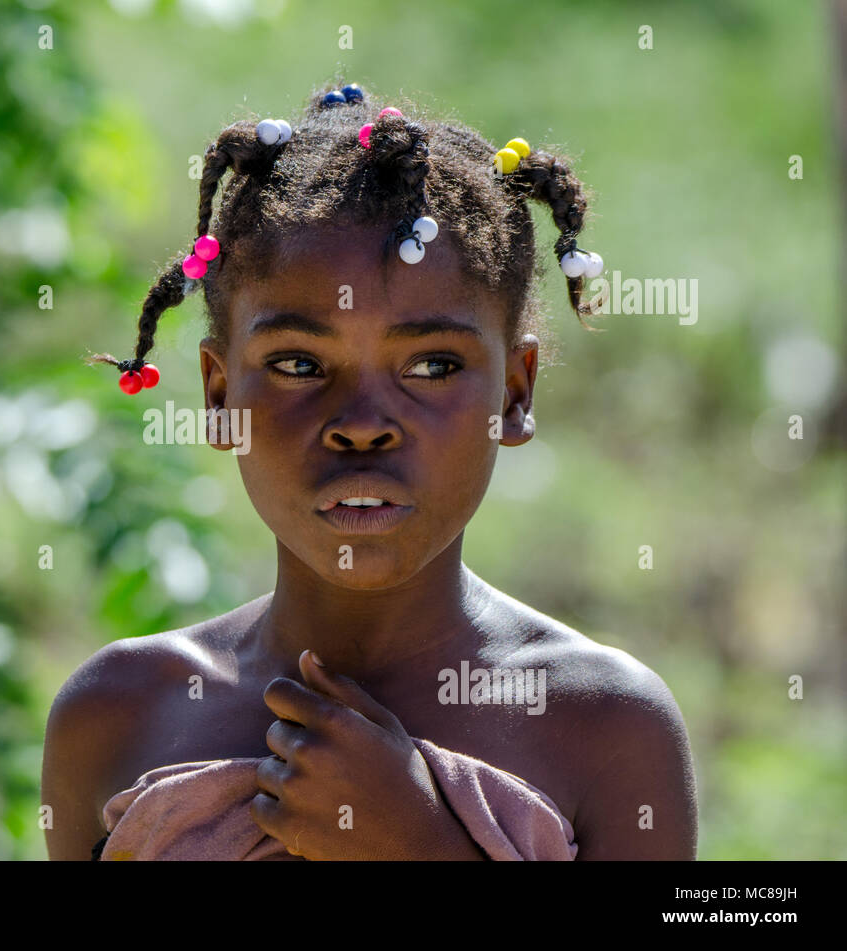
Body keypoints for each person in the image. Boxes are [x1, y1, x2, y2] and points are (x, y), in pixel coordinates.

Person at [42, 78, 697, 860]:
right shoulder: (119, 712)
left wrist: (416, 841)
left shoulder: (607, 727)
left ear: (514, 395)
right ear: (220, 397)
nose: (360, 426)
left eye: (430, 366)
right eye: (297, 363)